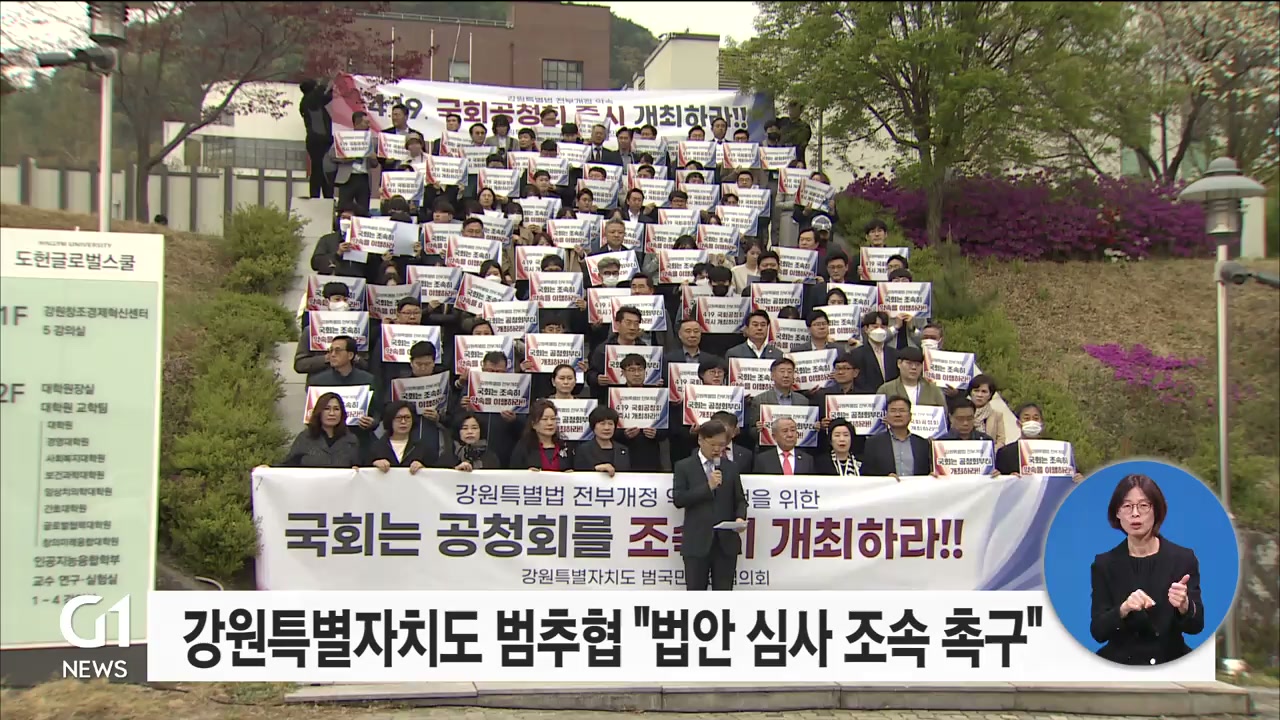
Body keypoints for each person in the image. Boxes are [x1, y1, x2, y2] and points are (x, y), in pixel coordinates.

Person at [1090, 473, 1203, 666]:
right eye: (1127, 506)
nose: (1135, 513)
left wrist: (1184, 606)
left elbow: (1196, 625)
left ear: (1156, 510)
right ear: (1117, 513)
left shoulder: (1183, 559)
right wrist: (1124, 609)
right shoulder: (1104, 564)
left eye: (1143, 505)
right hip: (1121, 665)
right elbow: (1098, 631)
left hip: (1170, 662)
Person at [672, 420, 748, 591]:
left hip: (725, 544)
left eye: (721, 445)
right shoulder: (684, 466)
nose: (717, 449)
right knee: (696, 592)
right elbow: (679, 499)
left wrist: (740, 518)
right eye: (713, 444)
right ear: (700, 440)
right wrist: (708, 487)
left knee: (723, 594)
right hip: (697, 541)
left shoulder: (730, 467)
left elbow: (740, 500)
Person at [995, 403, 1086, 482]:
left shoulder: (1057, 450)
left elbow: (1072, 473)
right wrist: (1008, 479)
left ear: (1041, 423)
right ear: (1018, 423)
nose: (1031, 422)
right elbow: (997, 482)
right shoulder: (1005, 453)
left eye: (1036, 418)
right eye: (1026, 418)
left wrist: (1079, 479)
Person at [279, 392, 360, 468]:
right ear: (319, 412)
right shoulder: (305, 438)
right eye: (327, 408)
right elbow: (288, 465)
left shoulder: (351, 440)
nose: (332, 413)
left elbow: (360, 466)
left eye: (336, 409)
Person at [860, 395, 932, 478]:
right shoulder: (873, 443)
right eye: (893, 411)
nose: (897, 414)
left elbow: (926, 472)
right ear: (886, 416)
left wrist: (932, 477)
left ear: (910, 416)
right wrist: (884, 479)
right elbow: (865, 475)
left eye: (902, 410)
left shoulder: (922, 444)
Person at [367, 401, 442, 473]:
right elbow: (364, 473)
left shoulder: (423, 448)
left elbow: (435, 476)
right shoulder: (376, 447)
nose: (403, 422)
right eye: (398, 417)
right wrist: (374, 465)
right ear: (390, 420)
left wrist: (424, 469)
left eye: (407, 417)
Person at [510, 399, 573, 471]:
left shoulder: (564, 446)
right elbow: (514, 473)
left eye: (553, 419)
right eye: (545, 419)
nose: (550, 423)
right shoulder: (524, 447)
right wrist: (526, 474)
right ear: (533, 424)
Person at [877, 346, 947, 407]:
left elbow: (943, 414)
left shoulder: (933, 390)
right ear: (899, 363)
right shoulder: (886, 389)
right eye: (909, 363)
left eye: (918, 364)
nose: (914, 367)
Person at [299, 78, 334, 199]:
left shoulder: (313, 102)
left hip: (322, 141)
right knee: (318, 169)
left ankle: (327, 195)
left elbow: (327, 98)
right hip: (317, 142)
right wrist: (326, 82)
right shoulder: (309, 101)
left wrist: (331, 88)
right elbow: (319, 94)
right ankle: (315, 196)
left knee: (324, 170)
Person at [573, 405, 631, 475]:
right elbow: (578, 474)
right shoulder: (583, 450)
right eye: (602, 424)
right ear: (593, 426)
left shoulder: (623, 450)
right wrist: (595, 468)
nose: (607, 428)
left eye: (610, 424)